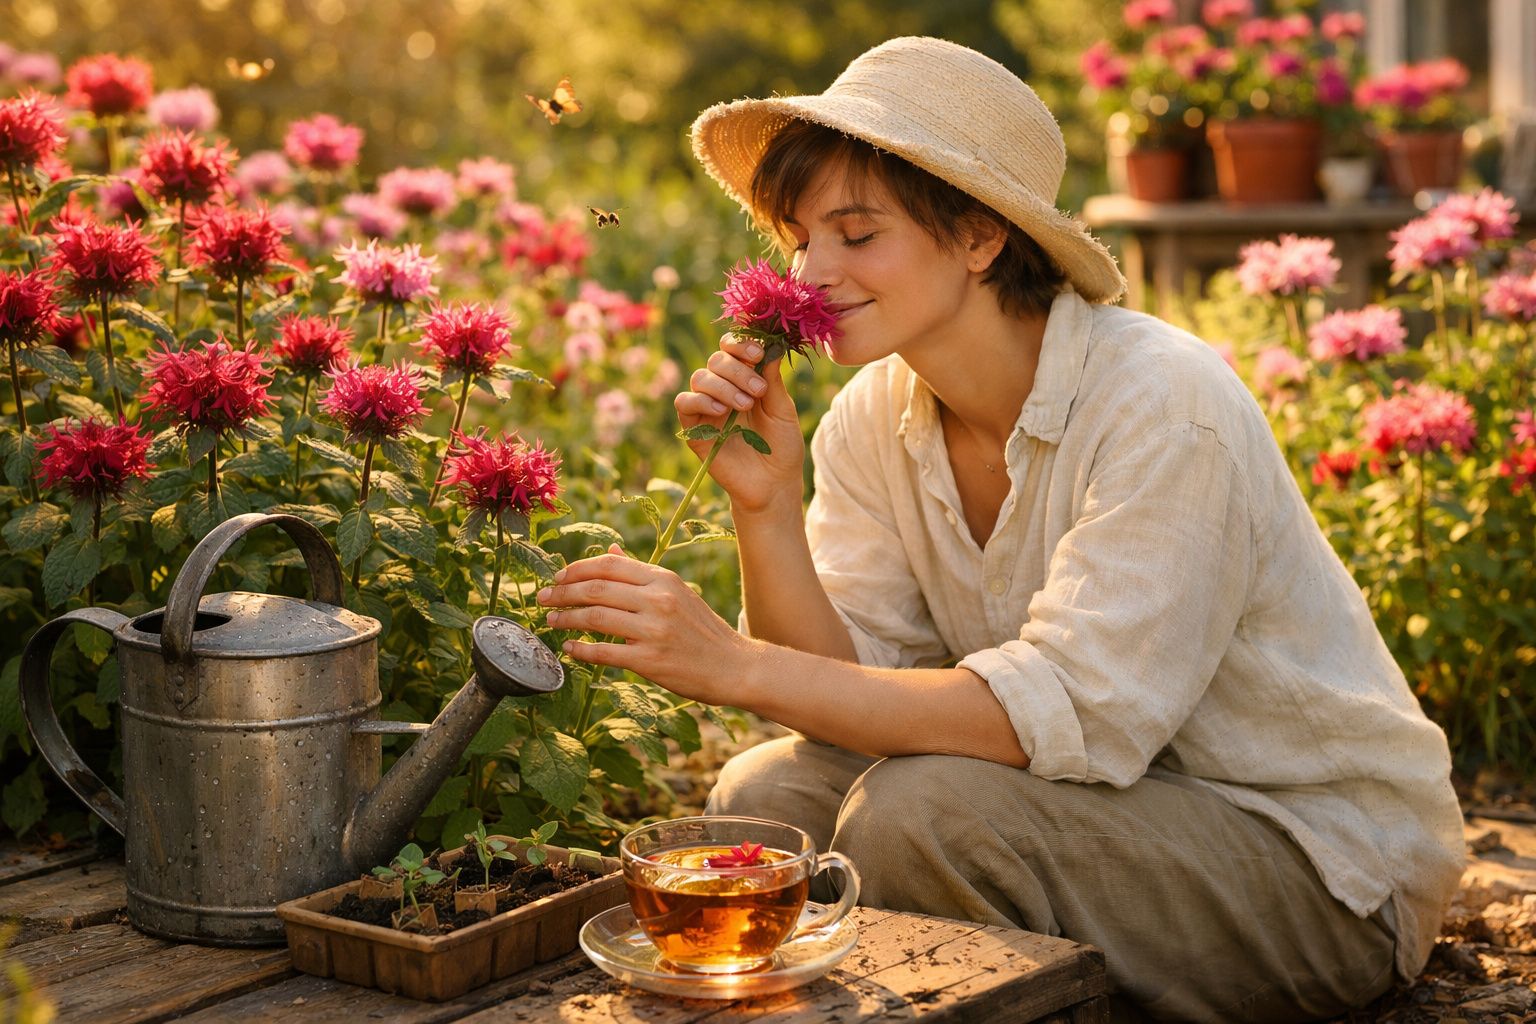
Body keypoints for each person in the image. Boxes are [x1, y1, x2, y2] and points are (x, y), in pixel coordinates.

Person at [534, 36, 1464, 1022]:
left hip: (1309, 858)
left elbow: (1062, 713)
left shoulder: (1163, 400)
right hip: (1098, 811)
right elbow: (843, 689)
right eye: (799, 237)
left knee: (923, 818)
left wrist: (731, 662)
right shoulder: (872, 415)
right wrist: (763, 506)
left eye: (856, 233)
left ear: (980, 237)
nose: (810, 273)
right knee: (770, 796)